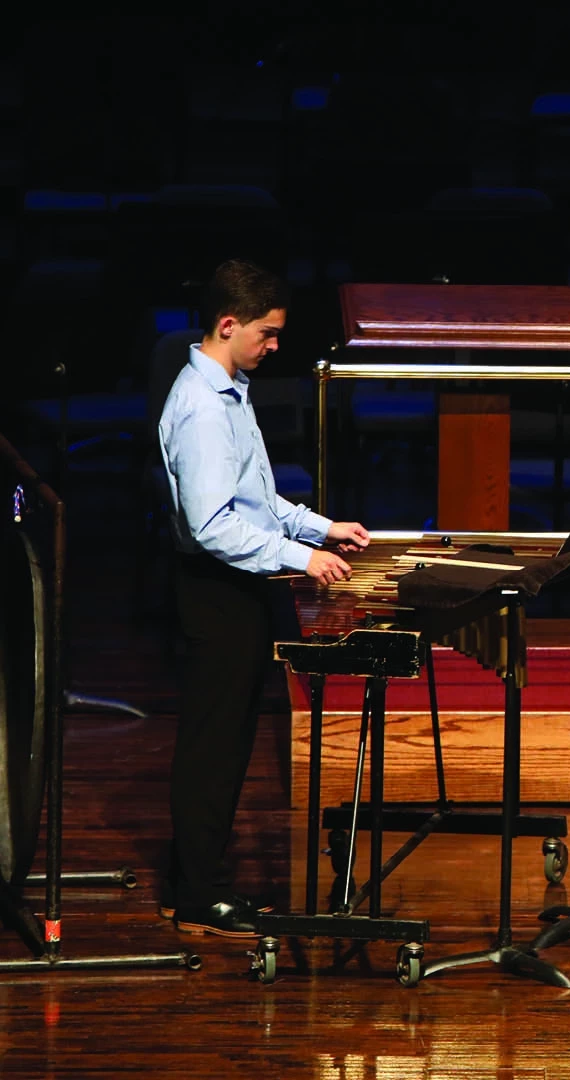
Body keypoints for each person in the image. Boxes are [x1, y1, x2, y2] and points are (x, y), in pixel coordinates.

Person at [157, 260, 371, 936]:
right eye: (268, 334)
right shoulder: (199, 406)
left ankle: (193, 881)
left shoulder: (229, 390)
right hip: (217, 591)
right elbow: (212, 524)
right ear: (228, 325)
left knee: (230, 741)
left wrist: (319, 527)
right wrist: (301, 558)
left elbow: (254, 496)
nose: (275, 347)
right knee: (213, 749)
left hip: (240, 589)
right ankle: (194, 894)